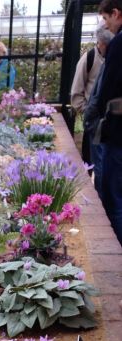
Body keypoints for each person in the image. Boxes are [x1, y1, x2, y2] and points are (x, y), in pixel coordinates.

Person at [94, 0, 122, 244]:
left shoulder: (119, 44)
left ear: (116, 14)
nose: (105, 24)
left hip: (117, 132)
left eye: (105, 18)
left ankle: (115, 251)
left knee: (113, 199)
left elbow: (106, 91)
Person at [71, 25, 113, 163]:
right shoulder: (89, 58)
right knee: (94, 162)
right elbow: (76, 91)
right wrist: (88, 111)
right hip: (95, 120)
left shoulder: (114, 59)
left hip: (113, 120)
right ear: (100, 43)